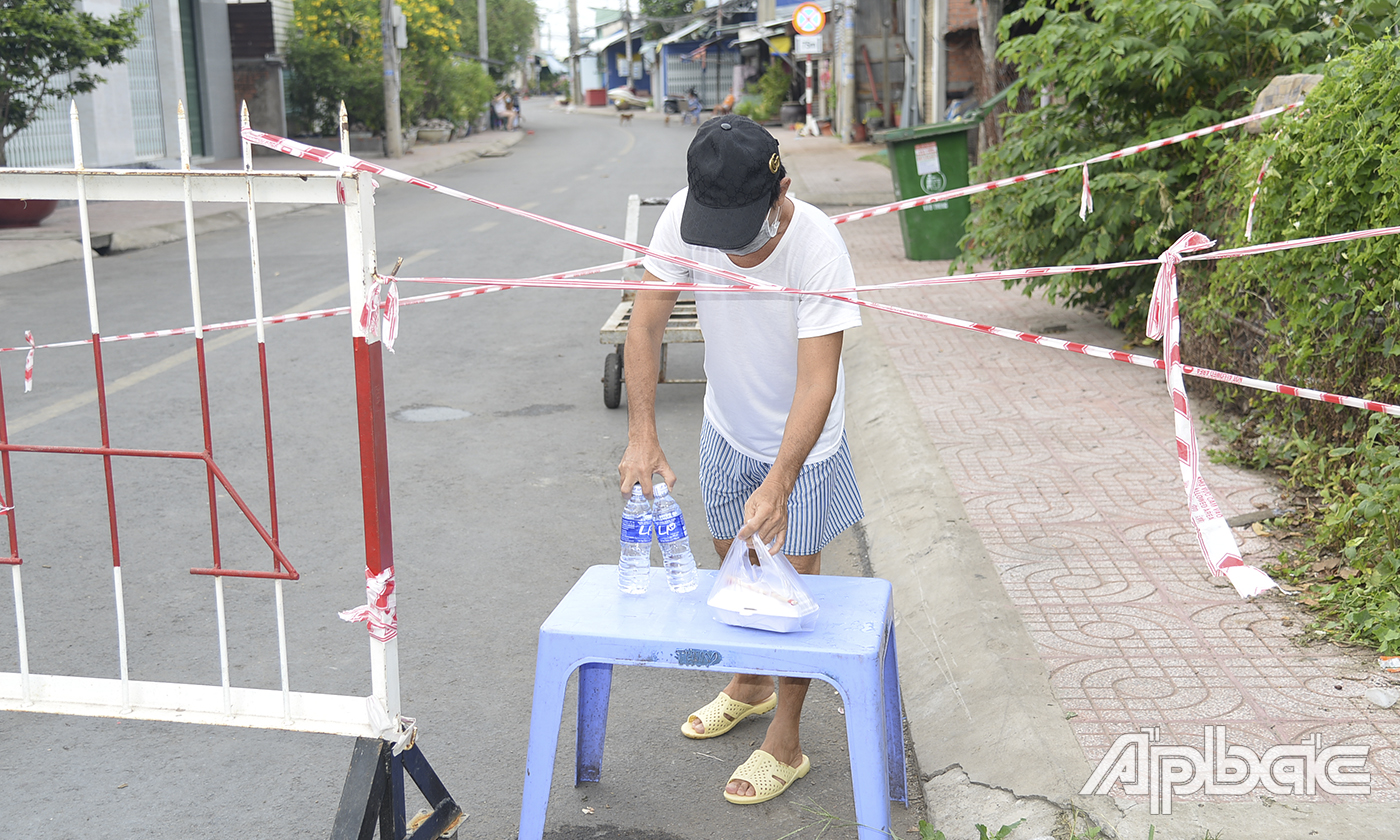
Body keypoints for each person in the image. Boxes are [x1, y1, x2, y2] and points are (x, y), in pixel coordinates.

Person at [618, 115, 864, 805]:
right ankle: (752, 683)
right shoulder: (682, 217)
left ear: (780, 191)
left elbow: (817, 380)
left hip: (804, 447)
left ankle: (787, 739)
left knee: (788, 592)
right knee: (734, 564)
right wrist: (642, 433)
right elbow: (646, 322)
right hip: (725, 427)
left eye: (743, 229)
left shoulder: (818, 245)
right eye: (717, 229)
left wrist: (781, 481)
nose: (730, 247)